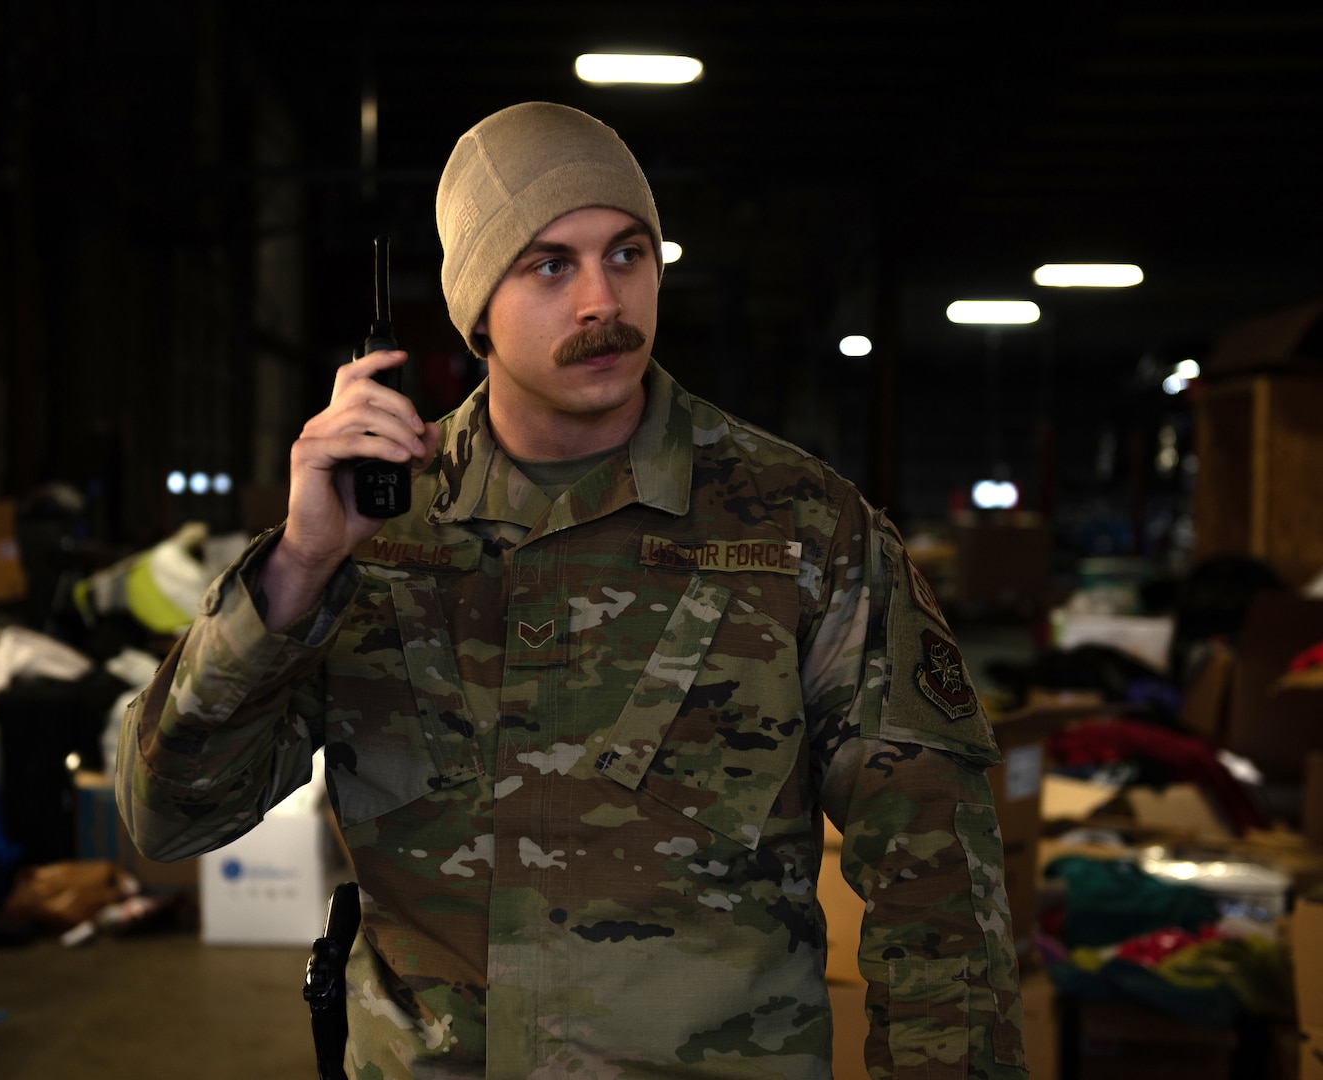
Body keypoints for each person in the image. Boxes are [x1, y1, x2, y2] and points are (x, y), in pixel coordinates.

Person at [118, 101, 1027, 1078]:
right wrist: (296, 570)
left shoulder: (800, 526)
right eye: (551, 264)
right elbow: (170, 815)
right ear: (474, 310)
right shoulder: (373, 537)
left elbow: (936, 874)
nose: (604, 299)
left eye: (629, 254)